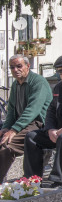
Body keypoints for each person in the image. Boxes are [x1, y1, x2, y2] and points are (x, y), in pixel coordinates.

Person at [23, 54, 62, 188]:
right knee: (31, 137)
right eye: (59, 72)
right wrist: (50, 129)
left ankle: (58, 180)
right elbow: (51, 111)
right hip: (58, 130)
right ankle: (33, 180)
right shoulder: (59, 87)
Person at [0, 55, 52, 183]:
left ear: (28, 66)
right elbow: (11, 110)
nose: (15, 70)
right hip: (22, 123)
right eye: (12, 67)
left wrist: (14, 130)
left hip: (38, 124)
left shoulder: (38, 82)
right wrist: (5, 128)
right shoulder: (16, 84)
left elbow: (32, 110)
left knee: (6, 146)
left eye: (19, 66)